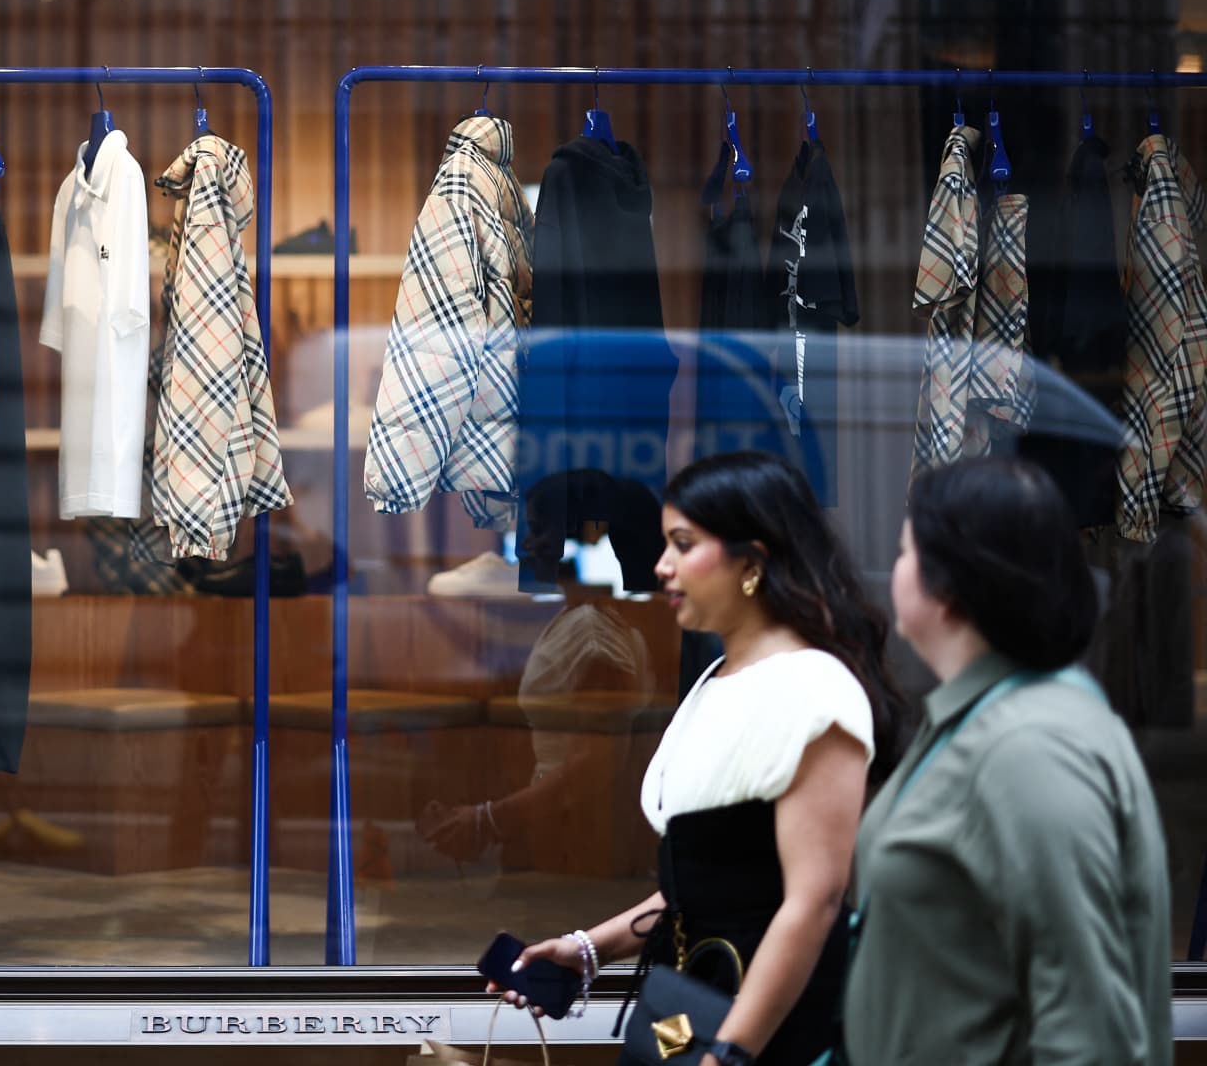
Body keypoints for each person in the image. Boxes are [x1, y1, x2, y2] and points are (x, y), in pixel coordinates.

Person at [490, 451, 907, 1066]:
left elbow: (812, 901)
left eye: (683, 544)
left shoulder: (815, 690)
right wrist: (586, 950)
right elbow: (707, 886)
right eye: (664, 544)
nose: (662, 566)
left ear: (751, 561)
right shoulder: (715, 678)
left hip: (772, 1027)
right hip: (693, 1000)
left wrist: (732, 1053)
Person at [843, 457, 1172, 1065]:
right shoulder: (991, 717)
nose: (893, 570)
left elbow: (1089, 1036)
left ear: (952, 584)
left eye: (905, 551)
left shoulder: (1031, 749)